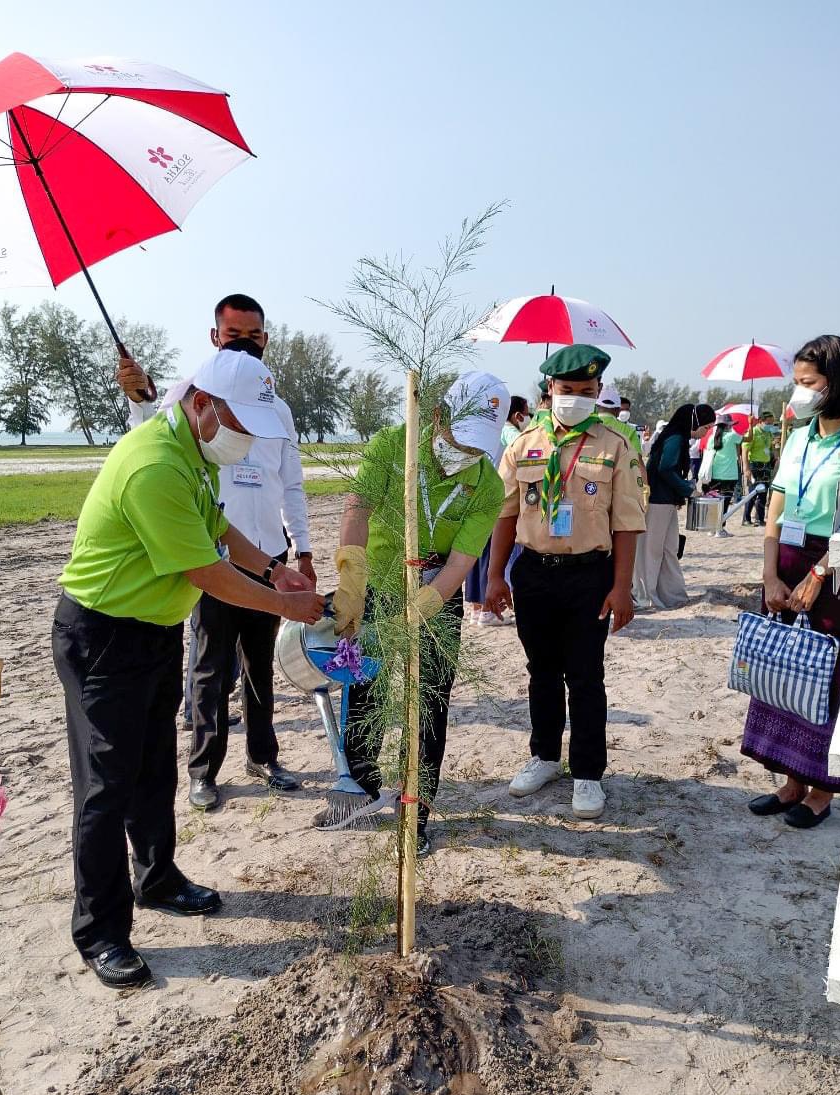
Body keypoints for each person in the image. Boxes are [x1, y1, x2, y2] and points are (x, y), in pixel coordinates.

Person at [53, 351, 324, 988]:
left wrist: (273, 565)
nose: (249, 439)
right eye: (241, 424)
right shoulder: (153, 466)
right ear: (200, 403)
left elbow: (220, 530)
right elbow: (205, 572)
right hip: (103, 637)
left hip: (152, 632)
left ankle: (159, 879)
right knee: (104, 786)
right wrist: (286, 602)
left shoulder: (192, 455)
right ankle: (100, 931)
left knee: (154, 769)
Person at [118, 296, 315, 810]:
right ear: (215, 339)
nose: (246, 344)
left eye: (254, 336)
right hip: (213, 559)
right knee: (208, 667)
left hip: (266, 554)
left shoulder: (278, 409)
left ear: (266, 339)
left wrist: (301, 550)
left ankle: (263, 756)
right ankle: (203, 770)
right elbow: (150, 438)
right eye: (234, 336)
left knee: (260, 668)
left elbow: (291, 485)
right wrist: (139, 398)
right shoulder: (197, 398)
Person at [331, 371, 509, 856]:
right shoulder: (393, 446)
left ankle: (417, 811)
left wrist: (423, 609)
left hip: (437, 597)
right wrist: (351, 583)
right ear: (436, 417)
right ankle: (359, 790)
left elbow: (460, 563)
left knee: (430, 703)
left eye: (477, 447)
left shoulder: (488, 485)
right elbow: (357, 510)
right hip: (379, 584)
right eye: (458, 439)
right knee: (366, 687)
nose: (465, 455)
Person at [742, 335, 840, 829]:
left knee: (826, 672)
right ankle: (789, 781)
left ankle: (821, 791)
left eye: (809, 383)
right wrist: (769, 573)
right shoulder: (800, 435)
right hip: (787, 560)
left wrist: (820, 571)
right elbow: (776, 505)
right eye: (797, 383)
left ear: (837, 382)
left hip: (839, 568)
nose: (800, 392)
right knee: (784, 668)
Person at [485, 345, 646, 820]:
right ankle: (545, 757)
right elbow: (504, 513)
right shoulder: (523, 443)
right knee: (541, 671)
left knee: (585, 674)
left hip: (589, 575)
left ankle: (588, 774)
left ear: (598, 392)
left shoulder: (616, 442)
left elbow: (627, 521)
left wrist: (622, 586)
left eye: (587, 391)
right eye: (568, 390)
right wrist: (494, 575)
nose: (576, 398)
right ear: (549, 390)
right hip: (534, 571)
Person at [632, 403, 716, 609]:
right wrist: (688, 490)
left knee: (670, 549)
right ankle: (646, 597)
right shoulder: (675, 439)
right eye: (705, 428)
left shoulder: (678, 438)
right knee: (651, 551)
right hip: (657, 501)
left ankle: (673, 595)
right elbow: (665, 469)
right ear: (694, 422)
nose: (705, 433)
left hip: (666, 501)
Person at [466, 395, 529, 626]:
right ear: (516, 415)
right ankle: (486, 610)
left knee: (475, 552)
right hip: (495, 499)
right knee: (490, 554)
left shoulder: (480, 432)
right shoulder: (507, 430)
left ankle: (476, 608)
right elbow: (524, 444)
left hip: (476, 496)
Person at [700, 412, 742, 536]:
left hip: (714, 475)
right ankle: (720, 528)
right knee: (725, 502)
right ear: (728, 425)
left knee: (714, 502)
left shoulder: (711, 438)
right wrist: (749, 424)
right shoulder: (731, 436)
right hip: (729, 475)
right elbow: (746, 438)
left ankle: (712, 528)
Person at [740, 410, 777, 526]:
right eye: (768, 423)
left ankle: (760, 519)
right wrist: (746, 469)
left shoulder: (768, 433)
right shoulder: (753, 432)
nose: (770, 425)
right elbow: (745, 451)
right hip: (754, 466)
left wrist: (774, 456)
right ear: (761, 421)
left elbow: (770, 447)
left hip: (766, 466)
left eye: (772, 423)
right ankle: (746, 519)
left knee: (763, 494)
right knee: (752, 493)